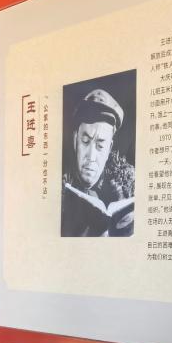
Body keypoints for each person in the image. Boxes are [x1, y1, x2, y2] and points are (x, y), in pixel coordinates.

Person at [60, 88, 134, 237]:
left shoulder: (126, 188)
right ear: (75, 140)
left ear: (109, 149)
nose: (91, 156)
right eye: (85, 141)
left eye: (100, 146)